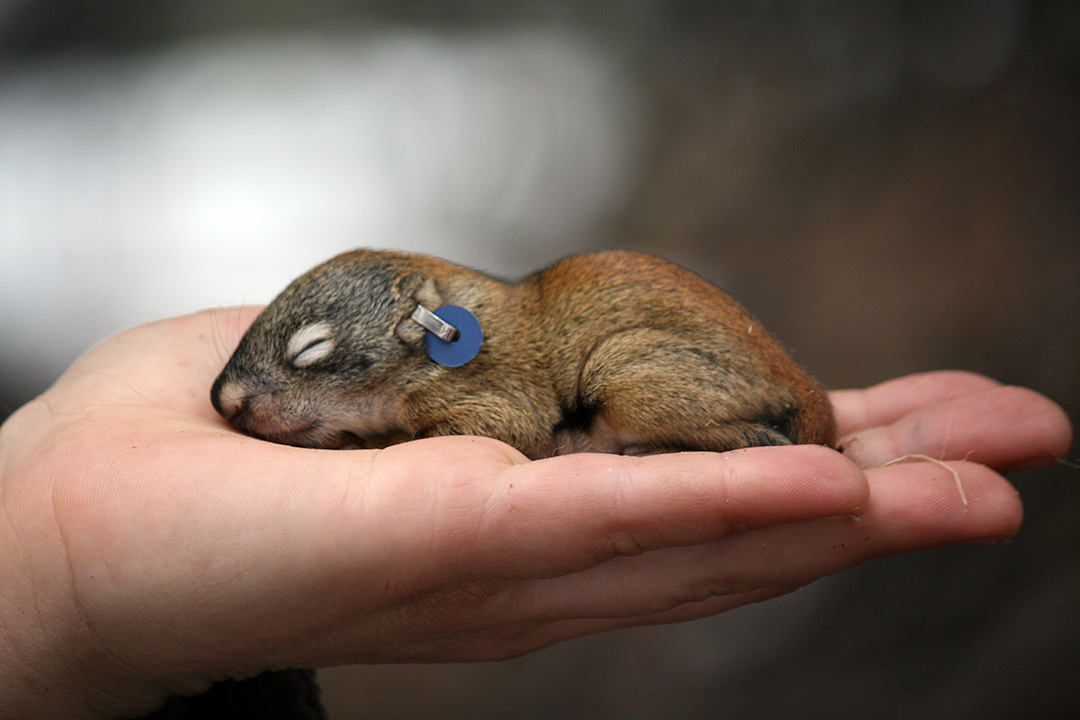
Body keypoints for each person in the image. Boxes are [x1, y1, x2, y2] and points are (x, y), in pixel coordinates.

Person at [0, 307, 1071, 719]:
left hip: (670, 385)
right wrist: (46, 590)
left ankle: (729, 431)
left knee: (649, 396)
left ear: (426, 338)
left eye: (319, 371)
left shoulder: (478, 370)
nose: (255, 412)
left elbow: (509, 415)